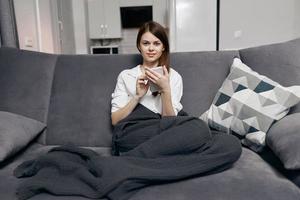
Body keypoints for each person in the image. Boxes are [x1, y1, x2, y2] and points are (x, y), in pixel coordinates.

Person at [111, 21, 183, 125]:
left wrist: (165, 89)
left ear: (163, 47)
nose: (151, 48)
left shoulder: (174, 76)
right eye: (146, 43)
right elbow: (115, 121)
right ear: (139, 46)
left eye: (157, 43)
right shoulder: (126, 76)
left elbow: (169, 123)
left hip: (161, 129)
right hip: (135, 128)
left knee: (199, 126)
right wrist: (137, 96)